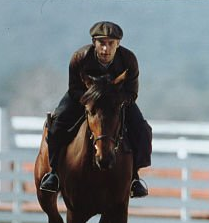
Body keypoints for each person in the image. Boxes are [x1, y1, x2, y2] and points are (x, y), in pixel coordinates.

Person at [40, 21, 152, 198]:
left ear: (118, 44)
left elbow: (132, 93)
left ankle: (135, 178)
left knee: (143, 129)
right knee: (57, 123)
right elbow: (74, 88)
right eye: (102, 43)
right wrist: (90, 101)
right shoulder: (80, 57)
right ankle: (53, 174)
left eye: (110, 44)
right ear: (94, 43)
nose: (106, 49)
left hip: (117, 101)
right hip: (84, 98)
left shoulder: (129, 60)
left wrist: (113, 100)